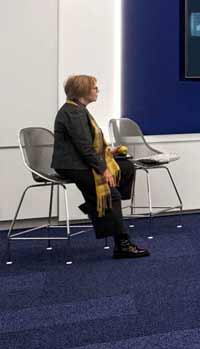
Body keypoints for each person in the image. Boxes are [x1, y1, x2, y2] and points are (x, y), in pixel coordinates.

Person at [52, 75, 147, 259]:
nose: (97, 91)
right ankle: (123, 244)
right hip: (72, 165)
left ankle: (95, 204)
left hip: (80, 161)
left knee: (126, 167)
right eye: (94, 87)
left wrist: (108, 152)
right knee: (112, 195)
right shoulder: (73, 113)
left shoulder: (79, 109)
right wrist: (103, 169)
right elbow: (85, 148)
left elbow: (88, 145)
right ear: (82, 91)